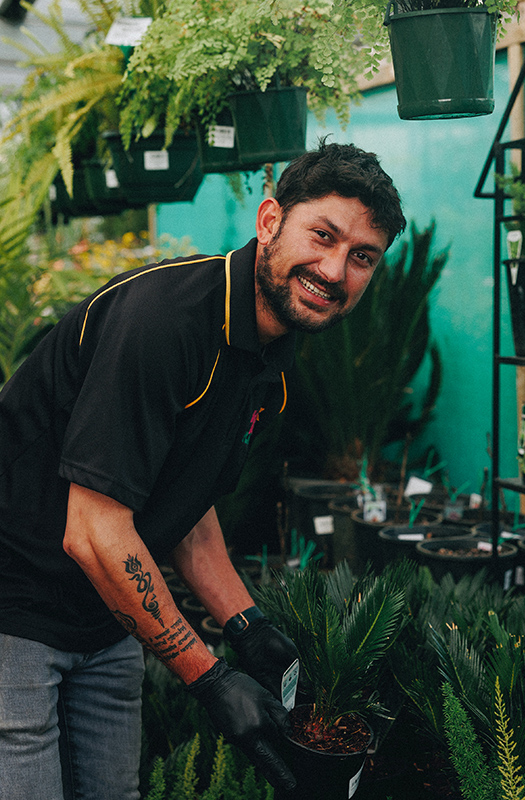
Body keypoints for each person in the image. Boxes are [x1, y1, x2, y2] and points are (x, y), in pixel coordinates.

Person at [0, 140, 406, 800]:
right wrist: (207, 676)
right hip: (15, 609)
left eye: (362, 257)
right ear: (270, 220)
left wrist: (247, 627)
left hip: (107, 619)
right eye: (323, 236)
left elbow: (183, 498)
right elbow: (94, 532)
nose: (335, 270)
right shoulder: (165, 323)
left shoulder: (270, 350)